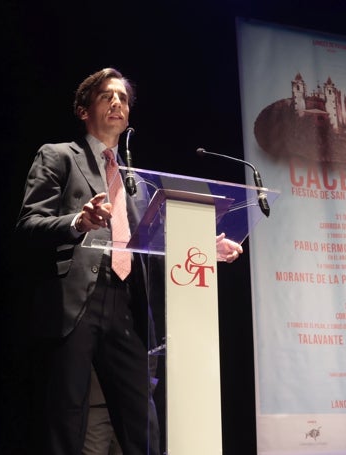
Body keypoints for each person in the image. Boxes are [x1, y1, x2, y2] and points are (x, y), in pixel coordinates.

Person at [15, 67, 243, 455]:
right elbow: (28, 223)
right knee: (67, 420)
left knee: (143, 423)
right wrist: (78, 221)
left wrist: (204, 248)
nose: (117, 103)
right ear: (83, 110)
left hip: (127, 304)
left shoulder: (137, 181)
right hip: (76, 302)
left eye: (123, 98)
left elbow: (151, 244)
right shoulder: (58, 157)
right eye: (107, 96)